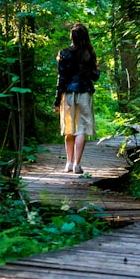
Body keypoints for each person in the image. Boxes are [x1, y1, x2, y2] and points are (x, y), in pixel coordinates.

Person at [53, 23, 99, 174]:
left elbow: (61, 78)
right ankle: (77, 164)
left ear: (71, 37)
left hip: (68, 93)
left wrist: (57, 100)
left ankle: (69, 163)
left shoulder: (64, 53)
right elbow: (95, 76)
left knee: (69, 129)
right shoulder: (89, 53)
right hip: (84, 93)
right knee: (81, 129)